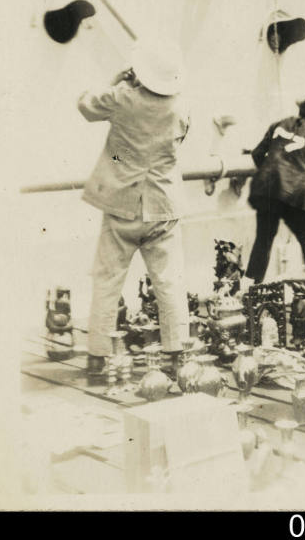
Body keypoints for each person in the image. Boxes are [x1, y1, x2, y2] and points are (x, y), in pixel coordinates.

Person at [77, 42, 190, 376]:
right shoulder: (181, 106)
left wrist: (116, 81)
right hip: (163, 205)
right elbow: (177, 143)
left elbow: (85, 105)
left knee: (107, 279)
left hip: (121, 203)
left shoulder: (122, 97)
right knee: (169, 282)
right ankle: (176, 354)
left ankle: (97, 356)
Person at [243, 95, 305, 302]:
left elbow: (258, 153)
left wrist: (272, 175)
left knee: (264, 238)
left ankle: (253, 285)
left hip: (266, 188)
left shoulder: (278, 124)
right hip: (296, 194)